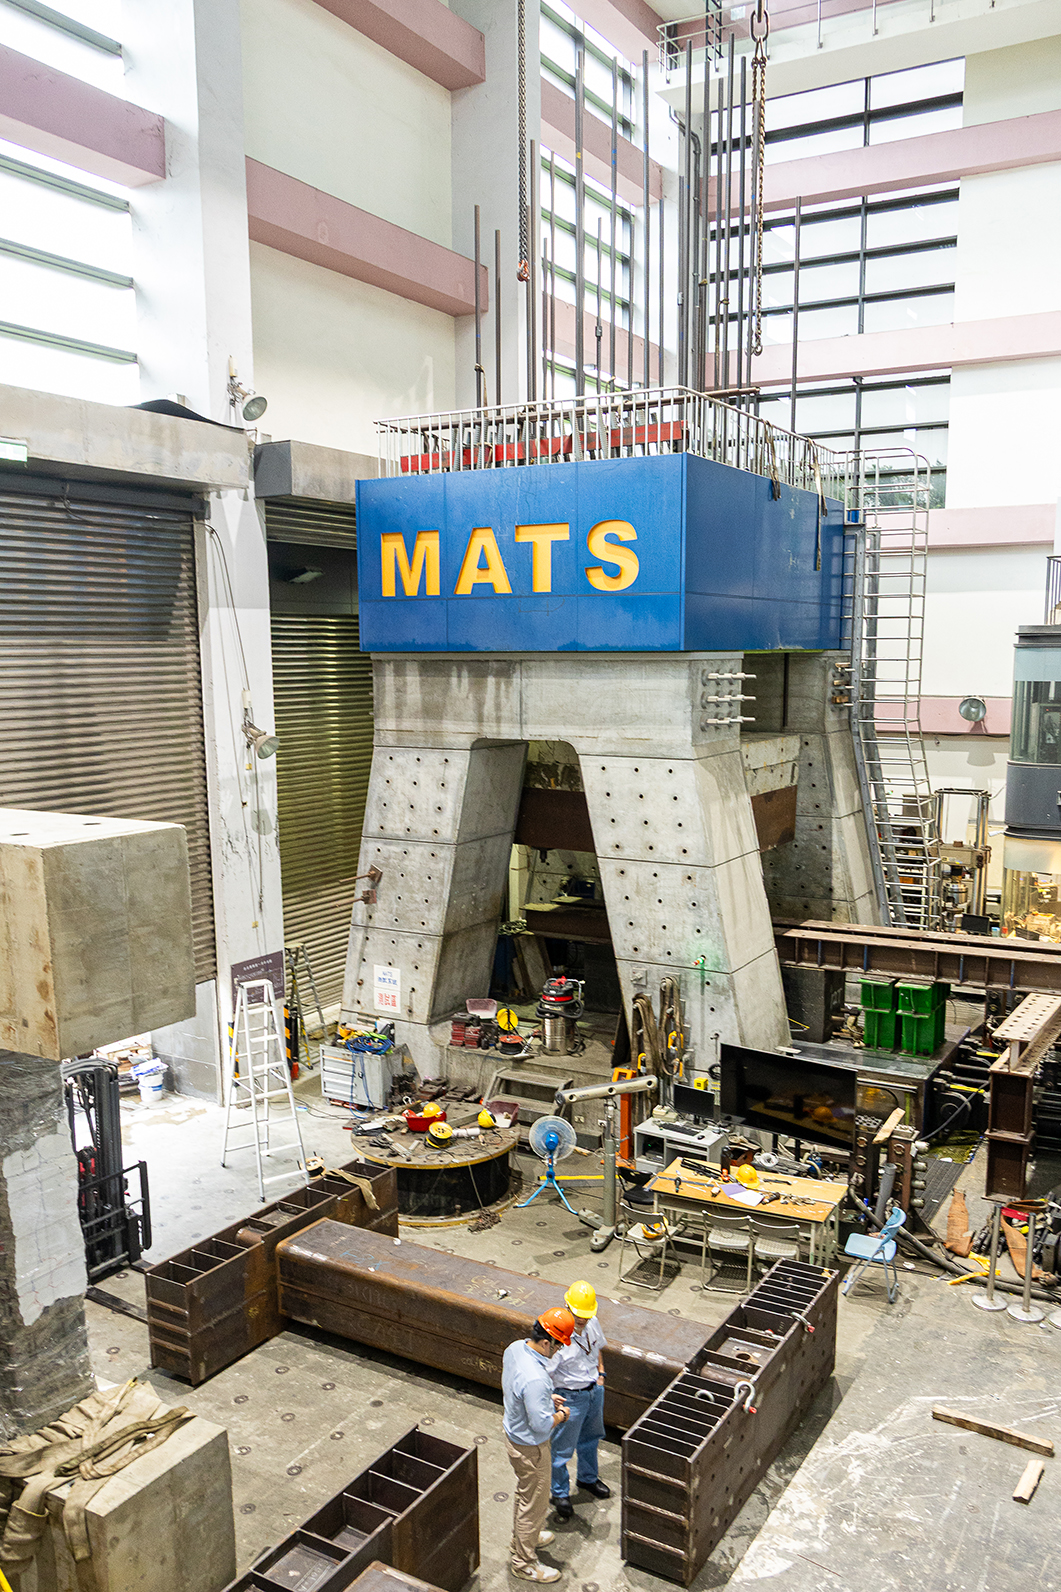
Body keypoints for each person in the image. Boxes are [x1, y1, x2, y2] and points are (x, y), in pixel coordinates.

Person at [502, 1307, 577, 1583]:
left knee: (525, 1496)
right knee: (533, 1505)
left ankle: (523, 1539)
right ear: (547, 1342)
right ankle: (523, 1564)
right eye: (557, 1346)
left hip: (514, 1435)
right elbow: (542, 1425)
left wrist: (545, 1402)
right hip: (530, 1448)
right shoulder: (536, 1378)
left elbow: (518, 1391)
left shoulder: (515, 1349)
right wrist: (560, 1414)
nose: (557, 1352)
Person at [548, 1281, 610, 1521]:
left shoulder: (592, 1322)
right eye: (578, 1314)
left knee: (591, 1439)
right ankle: (560, 1493)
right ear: (567, 1306)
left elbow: (598, 1349)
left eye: (586, 1314)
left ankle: (587, 1478)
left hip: (594, 1390)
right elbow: (546, 1372)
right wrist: (553, 1400)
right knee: (561, 1449)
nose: (582, 1319)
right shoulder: (557, 1336)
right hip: (570, 1396)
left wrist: (601, 1375)